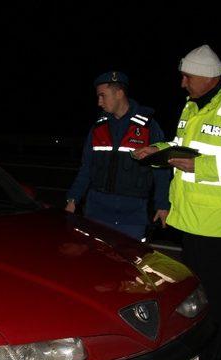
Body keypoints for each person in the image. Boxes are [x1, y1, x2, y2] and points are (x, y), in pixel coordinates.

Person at [133, 45, 221, 360]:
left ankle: (219, 353)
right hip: (190, 216)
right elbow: (183, 148)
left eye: (187, 77)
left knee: (218, 294)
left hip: (217, 221)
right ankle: (201, 344)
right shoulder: (192, 106)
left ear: (207, 77)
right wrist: (158, 150)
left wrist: (196, 167)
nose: (182, 83)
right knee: (196, 290)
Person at [65, 71, 170, 241]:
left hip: (133, 215)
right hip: (96, 211)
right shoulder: (98, 128)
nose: (99, 102)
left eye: (102, 96)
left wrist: (162, 204)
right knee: (96, 262)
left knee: (128, 264)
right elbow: (86, 168)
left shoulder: (148, 127)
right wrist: (73, 199)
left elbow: (162, 171)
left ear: (119, 93)